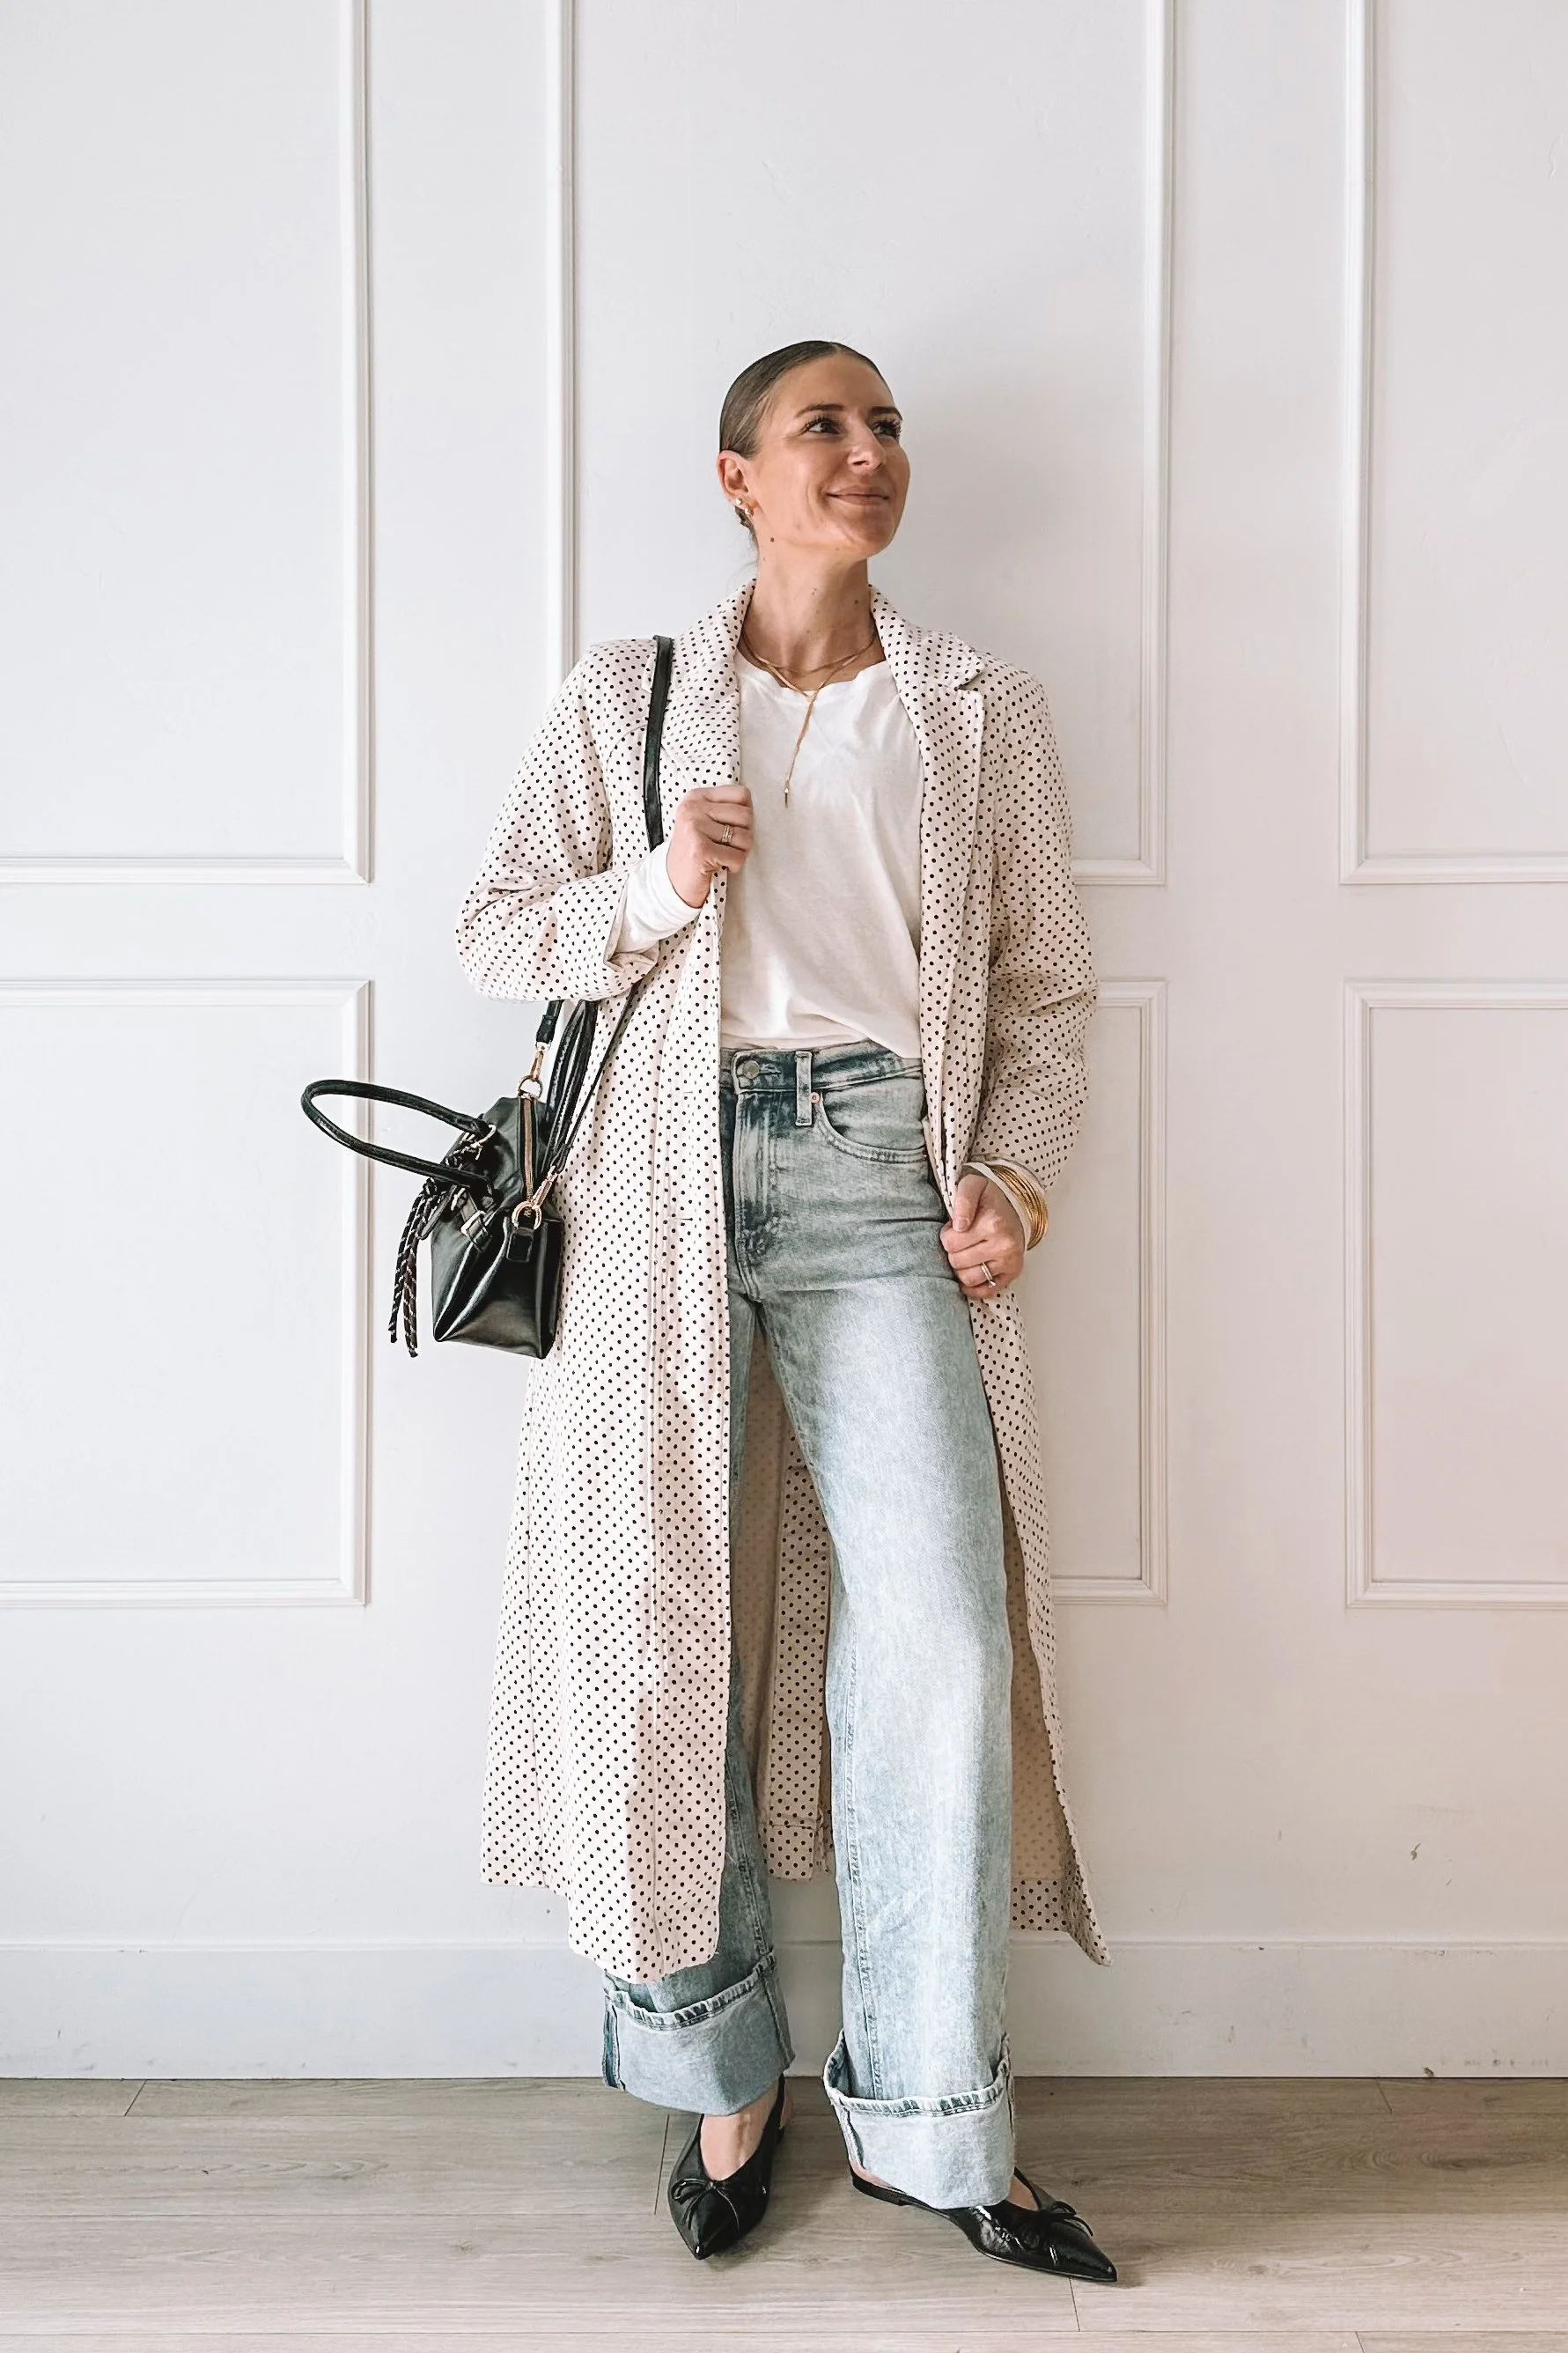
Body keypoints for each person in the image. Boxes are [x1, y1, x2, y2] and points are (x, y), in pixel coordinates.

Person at [455, 340, 1114, 2282]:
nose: (866, 453)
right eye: (823, 425)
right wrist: (658, 886)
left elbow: (1045, 1003)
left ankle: (932, 2123)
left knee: (934, 1642)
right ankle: (718, 2078)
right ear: (733, 473)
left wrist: (1012, 1174)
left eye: (886, 426)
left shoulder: (978, 713)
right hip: (655, 1187)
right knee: (665, 1626)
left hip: (875, 1183)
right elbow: (495, 928)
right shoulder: (629, 696)